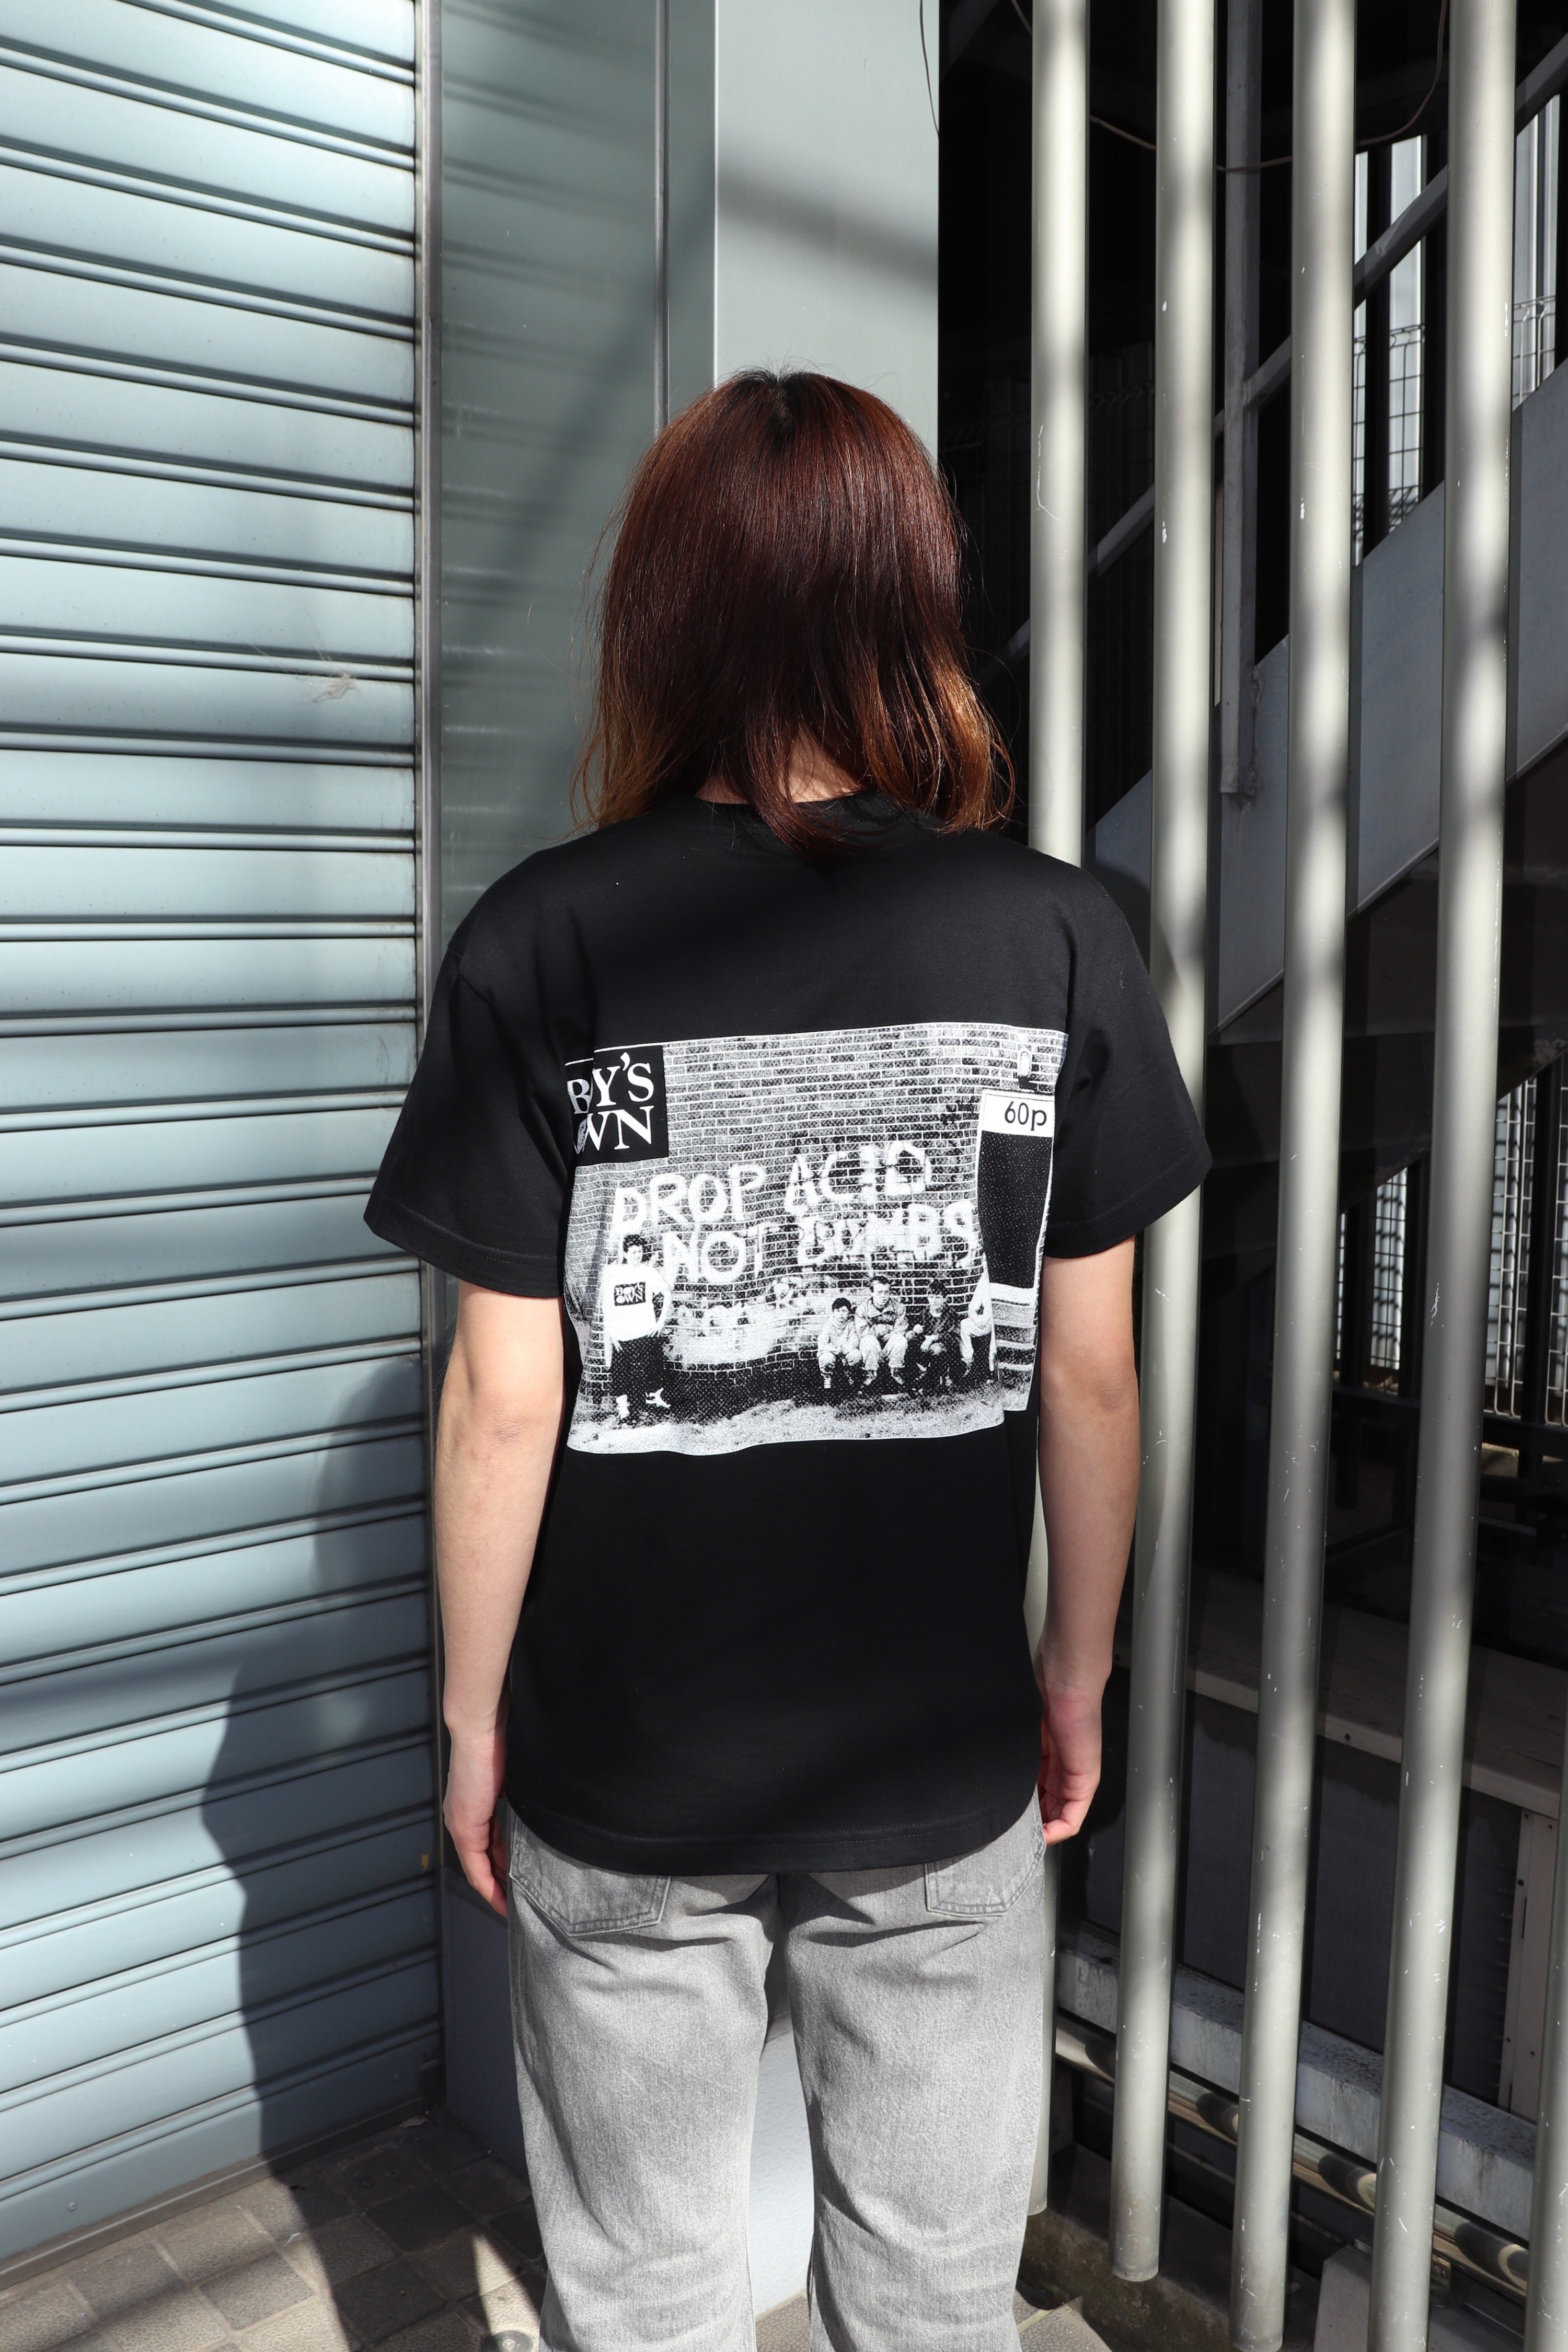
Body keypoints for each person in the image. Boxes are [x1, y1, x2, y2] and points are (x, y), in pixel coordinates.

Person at [364, 372, 1208, 2352]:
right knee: (928, 2296)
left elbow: (502, 1396)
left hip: (623, 1764)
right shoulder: (1055, 936)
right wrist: (1072, 1672)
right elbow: (1090, 1378)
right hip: (934, 1764)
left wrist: (471, 1725)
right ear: (910, 602)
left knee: (644, 2293)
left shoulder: (541, 941)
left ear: (657, 614)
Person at [597, 1231, 671, 1424]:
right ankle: (624, 1407)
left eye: (640, 1251)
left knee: (653, 1367)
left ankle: (654, 1398)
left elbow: (667, 1294)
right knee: (621, 1372)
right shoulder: (616, 1275)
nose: (637, 1255)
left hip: (646, 1332)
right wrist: (611, 1333)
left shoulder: (648, 1273)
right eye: (634, 1252)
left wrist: (660, 1323)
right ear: (625, 1254)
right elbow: (607, 1306)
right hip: (623, 1334)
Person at [907, 1275, 962, 1394]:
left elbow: (954, 1336)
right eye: (931, 1297)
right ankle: (918, 1376)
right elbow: (918, 1333)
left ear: (945, 1299)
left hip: (946, 1352)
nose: (934, 1301)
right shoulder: (924, 1314)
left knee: (937, 1349)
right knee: (909, 1340)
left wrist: (934, 1338)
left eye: (938, 1297)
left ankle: (928, 1381)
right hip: (926, 1349)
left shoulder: (951, 1314)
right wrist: (916, 1330)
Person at [855, 1271, 908, 1389]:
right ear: (872, 1293)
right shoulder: (862, 1309)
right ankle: (870, 1376)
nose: (884, 1296)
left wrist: (887, 1333)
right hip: (873, 1348)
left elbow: (901, 1328)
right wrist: (885, 1329)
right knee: (868, 1340)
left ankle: (896, 1374)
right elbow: (863, 1333)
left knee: (900, 1340)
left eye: (887, 1292)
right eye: (879, 1293)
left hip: (890, 1347)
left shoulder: (898, 1307)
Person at [816, 1294, 864, 1400]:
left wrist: (842, 1349)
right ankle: (827, 1380)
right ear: (834, 1312)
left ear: (849, 1313)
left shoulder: (851, 1325)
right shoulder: (828, 1325)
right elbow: (822, 1343)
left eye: (844, 1311)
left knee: (856, 1355)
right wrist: (834, 1350)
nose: (841, 1315)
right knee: (826, 1358)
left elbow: (854, 1341)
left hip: (846, 1352)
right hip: (832, 1352)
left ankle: (851, 1377)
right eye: (838, 1311)